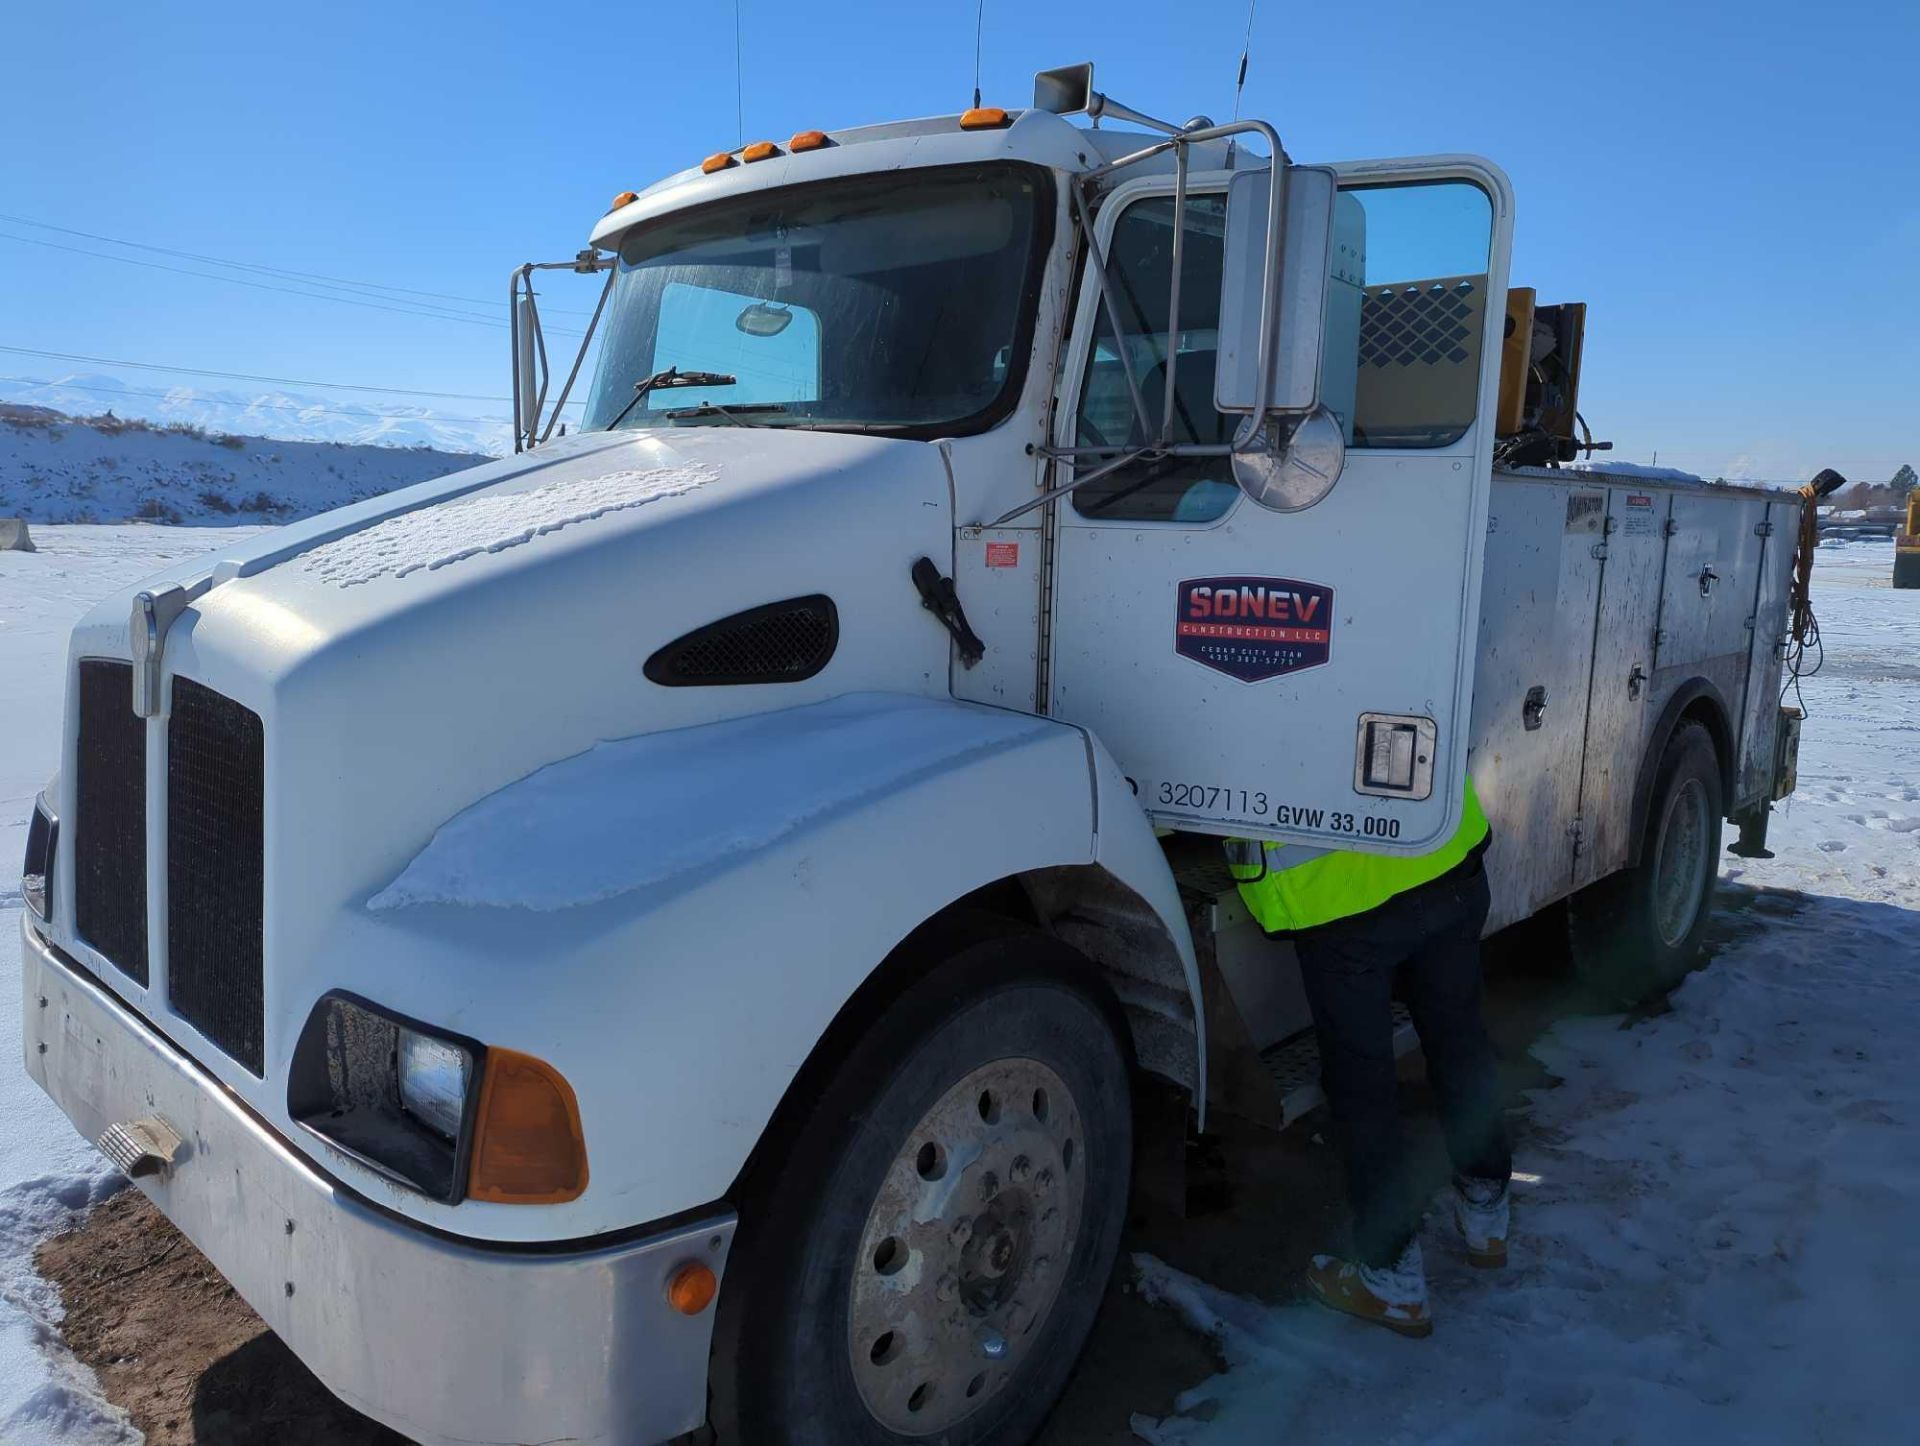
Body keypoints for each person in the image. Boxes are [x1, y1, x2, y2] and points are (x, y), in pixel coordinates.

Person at [1224, 776, 1511, 1338]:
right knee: (1459, 1041)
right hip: (1445, 853)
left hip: (1342, 901)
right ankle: (1487, 1218)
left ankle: (1391, 1277)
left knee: (1364, 1087)